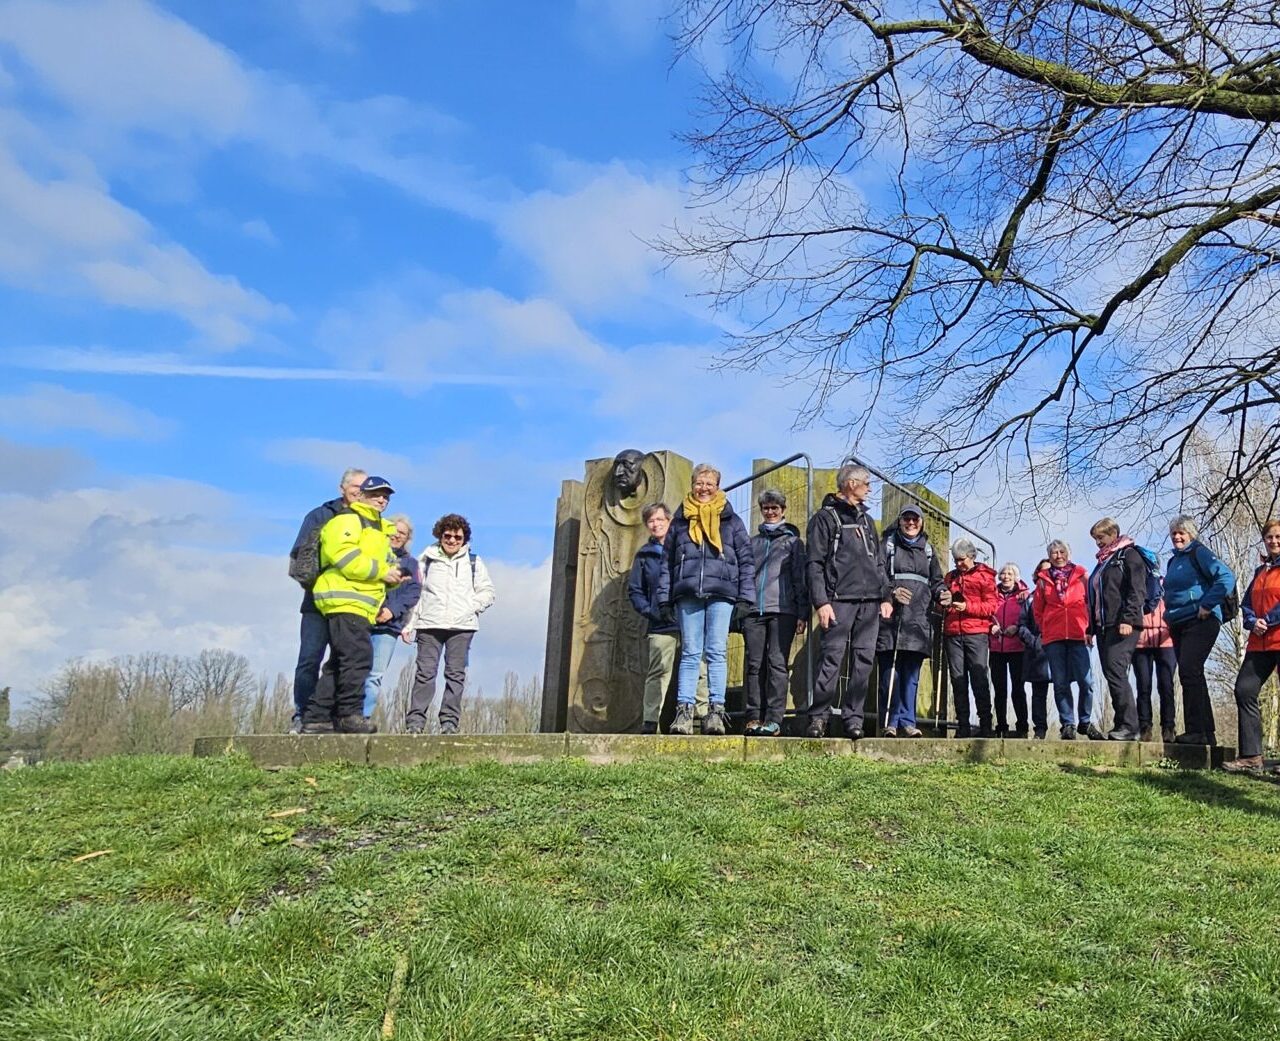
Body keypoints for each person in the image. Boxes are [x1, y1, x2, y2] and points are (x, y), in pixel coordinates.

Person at [300, 476, 402, 734]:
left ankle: (317, 717)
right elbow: (344, 557)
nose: (382, 500)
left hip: (360, 603)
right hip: (344, 598)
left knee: (341, 661)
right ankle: (349, 714)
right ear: (362, 495)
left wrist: (393, 578)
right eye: (376, 494)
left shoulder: (380, 530)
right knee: (358, 658)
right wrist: (383, 572)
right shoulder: (347, 520)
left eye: (386, 496)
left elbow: (382, 568)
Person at [658, 464, 754, 737]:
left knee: (716, 652)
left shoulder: (732, 521)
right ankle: (684, 712)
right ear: (692, 485)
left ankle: (716, 711)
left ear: (717, 487)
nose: (704, 488)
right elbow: (667, 562)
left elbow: (746, 560)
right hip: (688, 592)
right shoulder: (679, 521)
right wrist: (664, 599)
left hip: (722, 593)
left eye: (709, 484)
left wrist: (745, 598)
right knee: (690, 653)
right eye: (699, 483)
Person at [805, 464, 889, 739]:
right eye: (866, 483)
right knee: (831, 658)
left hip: (870, 602)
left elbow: (878, 562)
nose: (869, 489)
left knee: (863, 661)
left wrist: (886, 595)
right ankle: (819, 717)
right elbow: (814, 563)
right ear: (851, 484)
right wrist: (821, 602)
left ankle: (854, 720)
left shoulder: (867, 520)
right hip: (838, 600)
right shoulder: (824, 518)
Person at [287, 467, 366, 732]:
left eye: (364, 488)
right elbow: (299, 559)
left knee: (343, 661)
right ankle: (303, 714)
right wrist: (318, 586)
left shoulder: (369, 521)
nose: (359, 493)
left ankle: (332, 716)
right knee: (310, 658)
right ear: (342, 488)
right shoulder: (320, 515)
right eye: (355, 487)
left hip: (350, 605)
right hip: (317, 603)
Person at [403, 514, 497, 735]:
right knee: (425, 674)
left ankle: (449, 722)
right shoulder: (426, 560)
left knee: (455, 675)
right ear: (440, 536)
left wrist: (471, 606)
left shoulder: (474, 562)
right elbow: (416, 593)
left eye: (458, 537)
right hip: (429, 625)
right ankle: (415, 722)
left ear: (464, 539)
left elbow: (488, 592)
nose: (452, 540)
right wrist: (409, 624)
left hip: (462, 627)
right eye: (448, 536)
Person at [626, 503, 709, 734]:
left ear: (670, 521)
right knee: (658, 672)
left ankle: (703, 717)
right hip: (660, 624)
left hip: (691, 617)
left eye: (660, 519)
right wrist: (651, 611)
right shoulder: (644, 555)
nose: (656, 524)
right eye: (651, 521)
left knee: (700, 668)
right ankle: (651, 721)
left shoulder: (686, 547)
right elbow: (635, 590)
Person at [741, 489, 809, 737]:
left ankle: (774, 719)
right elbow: (745, 576)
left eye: (774, 508)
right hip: (754, 611)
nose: (770, 512)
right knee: (754, 665)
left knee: (777, 663)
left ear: (783, 510)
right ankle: (753, 716)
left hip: (783, 611)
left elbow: (800, 578)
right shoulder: (753, 543)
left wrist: (802, 612)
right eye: (766, 508)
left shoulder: (793, 543)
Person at [1164, 514, 1236, 746]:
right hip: (1179, 623)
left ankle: (1195, 730)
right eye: (1174, 533)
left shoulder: (1199, 553)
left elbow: (1226, 577)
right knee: (1192, 673)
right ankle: (1206, 733)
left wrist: (1208, 604)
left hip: (1201, 619)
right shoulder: (1173, 561)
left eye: (1181, 533)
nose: (1177, 537)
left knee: (1189, 669)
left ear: (1191, 534)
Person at [877, 505, 942, 738]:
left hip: (918, 620)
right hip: (891, 619)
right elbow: (878, 574)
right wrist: (891, 592)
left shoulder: (928, 550)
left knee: (911, 678)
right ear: (900, 521)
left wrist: (943, 593)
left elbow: (937, 581)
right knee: (890, 675)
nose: (911, 523)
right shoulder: (888, 545)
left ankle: (908, 721)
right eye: (907, 519)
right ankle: (890, 722)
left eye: (915, 519)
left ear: (921, 523)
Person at [1223, 520, 1280, 773]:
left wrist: (1267, 620)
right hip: (1259, 644)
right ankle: (1251, 755)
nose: (1274, 541)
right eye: (1269, 537)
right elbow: (1246, 604)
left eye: (1278, 537)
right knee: (1244, 690)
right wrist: (1251, 621)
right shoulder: (1260, 572)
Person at [1033, 541, 1102, 740]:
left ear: (1069, 553)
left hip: (1079, 634)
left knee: (1086, 681)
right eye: (1054, 553)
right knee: (1060, 683)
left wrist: (1089, 629)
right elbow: (1038, 610)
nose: (1058, 556)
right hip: (1054, 638)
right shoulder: (1043, 580)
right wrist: (1045, 628)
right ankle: (1067, 724)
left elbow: (1092, 603)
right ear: (1049, 556)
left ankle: (1085, 721)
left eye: (1062, 551)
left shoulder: (1082, 576)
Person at [1087, 517, 1146, 741]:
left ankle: (1130, 726)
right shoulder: (1104, 561)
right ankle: (1121, 724)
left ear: (1113, 534)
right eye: (1095, 539)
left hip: (1122, 624)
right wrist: (1091, 628)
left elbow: (1137, 590)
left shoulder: (1129, 555)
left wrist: (1128, 619)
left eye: (1100, 537)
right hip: (1104, 627)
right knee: (1111, 674)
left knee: (1116, 672)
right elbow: (1097, 598)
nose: (1098, 543)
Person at [362, 514, 421, 720]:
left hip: (388, 627)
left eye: (402, 533)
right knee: (351, 671)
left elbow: (413, 592)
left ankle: (363, 717)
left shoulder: (411, 564)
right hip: (361, 621)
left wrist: (392, 611)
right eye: (394, 531)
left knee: (374, 675)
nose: (397, 536)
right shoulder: (369, 554)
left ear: (407, 538)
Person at [940, 539, 998, 737]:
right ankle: (962, 725)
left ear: (972, 556)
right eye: (956, 560)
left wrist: (967, 607)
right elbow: (940, 604)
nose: (958, 564)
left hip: (976, 633)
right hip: (953, 633)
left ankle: (985, 725)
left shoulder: (985, 576)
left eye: (962, 559)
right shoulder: (950, 577)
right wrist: (943, 602)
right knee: (958, 680)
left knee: (979, 678)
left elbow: (991, 606)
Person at [989, 563, 1029, 737]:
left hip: (1017, 647)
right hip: (996, 647)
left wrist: (1017, 627)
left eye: (1010, 574)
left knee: (1018, 689)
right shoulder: (992, 594)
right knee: (999, 690)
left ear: (1016, 577)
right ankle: (1001, 725)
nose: (1006, 577)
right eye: (1003, 573)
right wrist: (990, 626)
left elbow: (1029, 617)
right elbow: (986, 614)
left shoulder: (1024, 596)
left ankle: (1022, 727)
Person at [1133, 589, 1177, 743]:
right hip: (1141, 640)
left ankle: (1168, 727)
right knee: (1143, 686)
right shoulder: (1137, 581)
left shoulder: (1167, 583)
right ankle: (1144, 727)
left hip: (1166, 640)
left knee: (1166, 686)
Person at [1016, 559, 1053, 739]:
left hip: (1059, 647)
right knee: (1038, 693)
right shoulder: (1029, 599)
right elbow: (1021, 625)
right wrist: (1034, 641)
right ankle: (1040, 729)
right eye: (1042, 572)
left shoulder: (1063, 595)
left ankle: (1068, 727)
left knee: (1063, 690)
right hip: (1037, 651)